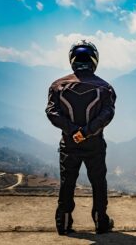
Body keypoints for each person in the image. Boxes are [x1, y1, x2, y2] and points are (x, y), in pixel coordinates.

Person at [45, 40, 116, 235]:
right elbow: (107, 114)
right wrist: (86, 132)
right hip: (94, 144)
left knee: (67, 182)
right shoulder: (105, 87)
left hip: (69, 143)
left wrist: (73, 131)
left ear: (72, 60)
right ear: (94, 60)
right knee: (98, 182)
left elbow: (52, 112)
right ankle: (101, 221)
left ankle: (63, 223)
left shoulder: (58, 85)